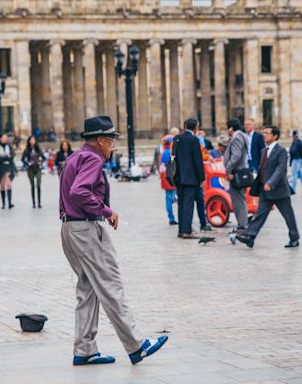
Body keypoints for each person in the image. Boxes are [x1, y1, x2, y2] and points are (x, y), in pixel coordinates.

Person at [60, 115, 168, 366]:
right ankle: (136, 345)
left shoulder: (74, 158)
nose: (113, 146)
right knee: (109, 284)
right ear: (99, 140)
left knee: (87, 290)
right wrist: (107, 211)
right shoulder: (92, 158)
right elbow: (79, 191)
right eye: (110, 141)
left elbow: (69, 193)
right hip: (84, 229)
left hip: (69, 227)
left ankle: (84, 349)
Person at [237, 126, 300, 249]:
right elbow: (263, 169)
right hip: (265, 190)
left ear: (275, 136)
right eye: (263, 133)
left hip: (279, 190)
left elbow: (280, 170)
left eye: (267, 133)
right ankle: (250, 237)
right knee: (260, 214)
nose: (264, 135)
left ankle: (294, 238)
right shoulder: (263, 151)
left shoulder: (281, 151)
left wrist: (270, 183)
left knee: (288, 215)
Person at [173, 117, 205, 239]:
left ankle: (181, 230)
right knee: (188, 204)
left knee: (181, 203)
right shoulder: (194, 140)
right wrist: (201, 177)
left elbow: (173, 157)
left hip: (178, 176)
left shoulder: (177, 138)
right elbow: (198, 161)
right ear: (196, 128)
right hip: (191, 178)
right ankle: (187, 231)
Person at [224, 118, 249, 231]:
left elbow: (236, 156)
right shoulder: (243, 136)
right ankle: (242, 223)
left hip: (236, 172)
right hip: (241, 170)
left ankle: (242, 224)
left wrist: (228, 169)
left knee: (238, 200)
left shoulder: (236, 138)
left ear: (231, 128)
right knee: (240, 199)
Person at [22, 136, 45, 208]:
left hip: (37, 168)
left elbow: (44, 157)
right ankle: (34, 202)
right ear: (29, 141)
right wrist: (27, 163)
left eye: (33, 140)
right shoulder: (26, 150)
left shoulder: (38, 149)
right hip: (30, 169)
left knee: (38, 185)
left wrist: (40, 162)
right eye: (31, 140)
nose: (32, 141)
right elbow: (22, 159)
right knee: (32, 186)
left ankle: (39, 202)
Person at [0, 134, 16, 209]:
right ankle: (3, 203)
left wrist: (4, 157)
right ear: (0, 139)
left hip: (9, 167)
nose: (5, 139)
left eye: (6, 138)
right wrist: (6, 157)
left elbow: (12, 155)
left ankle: (9, 202)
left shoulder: (9, 146)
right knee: (2, 185)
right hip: (0, 168)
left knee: (9, 184)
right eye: (3, 138)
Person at [159, 135, 178, 226]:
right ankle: (172, 218)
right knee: (173, 195)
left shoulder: (163, 153)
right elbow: (173, 163)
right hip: (171, 175)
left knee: (167, 197)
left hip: (164, 176)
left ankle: (171, 217)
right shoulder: (170, 153)